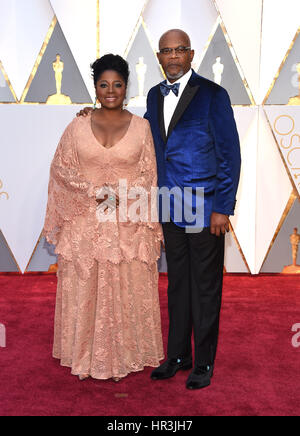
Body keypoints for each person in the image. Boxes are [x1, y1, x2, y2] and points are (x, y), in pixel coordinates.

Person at [78, 29, 241, 390]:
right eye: (166, 51)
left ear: (191, 53)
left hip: (203, 208)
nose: (172, 57)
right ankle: (179, 355)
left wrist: (222, 209)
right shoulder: (154, 95)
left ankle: (204, 363)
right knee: (177, 284)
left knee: (205, 286)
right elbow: (143, 136)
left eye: (179, 50)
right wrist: (94, 115)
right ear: (159, 56)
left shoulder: (214, 96)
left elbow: (230, 154)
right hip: (168, 207)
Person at [43, 54, 164, 382]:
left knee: (126, 288)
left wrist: (114, 198)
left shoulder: (142, 127)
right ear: (95, 87)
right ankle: (82, 352)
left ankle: (129, 352)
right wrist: (91, 191)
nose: (111, 90)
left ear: (126, 86)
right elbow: (61, 168)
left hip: (127, 224)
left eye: (118, 84)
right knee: (87, 287)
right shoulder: (77, 124)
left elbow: (148, 174)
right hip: (84, 222)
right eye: (103, 84)